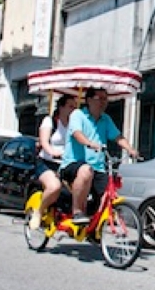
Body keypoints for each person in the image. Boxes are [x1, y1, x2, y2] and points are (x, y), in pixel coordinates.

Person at [61, 88, 138, 225]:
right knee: (86, 171)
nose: (103, 102)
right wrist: (89, 143)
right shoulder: (78, 115)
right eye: (100, 98)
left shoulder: (106, 119)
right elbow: (77, 134)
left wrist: (130, 149)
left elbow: (117, 137)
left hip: (98, 167)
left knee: (108, 193)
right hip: (74, 164)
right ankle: (77, 211)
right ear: (89, 100)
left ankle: (96, 227)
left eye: (105, 99)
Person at [29, 94, 77, 230]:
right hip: (47, 163)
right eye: (70, 106)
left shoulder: (75, 125)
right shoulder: (49, 121)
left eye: (75, 107)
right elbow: (44, 141)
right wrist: (52, 152)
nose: (73, 110)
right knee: (54, 186)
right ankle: (38, 212)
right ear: (61, 107)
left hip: (66, 164)